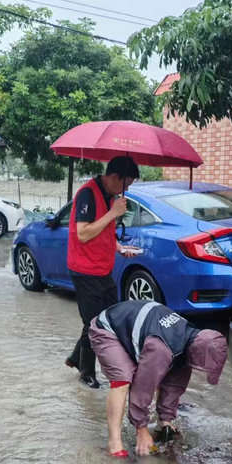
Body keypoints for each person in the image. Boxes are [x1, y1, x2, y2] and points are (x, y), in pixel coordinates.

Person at [89, 300, 228, 457]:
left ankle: (76, 360)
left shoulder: (190, 340)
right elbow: (142, 388)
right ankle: (114, 443)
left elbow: (174, 384)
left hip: (136, 327)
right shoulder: (161, 349)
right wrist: (141, 430)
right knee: (123, 377)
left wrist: (165, 420)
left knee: (166, 369)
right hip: (108, 328)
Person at [64, 156, 140, 388]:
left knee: (107, 319)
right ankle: (86, 373)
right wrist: (113, 213)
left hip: (102, 269)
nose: (125, 190)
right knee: (96, 323)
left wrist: (119, 248)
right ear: (114, 177)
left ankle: (76, 358)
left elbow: (103, 231)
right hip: (85, 270)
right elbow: (84, 233)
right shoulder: (88, 194)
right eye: (125, 185)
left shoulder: (110, 197)